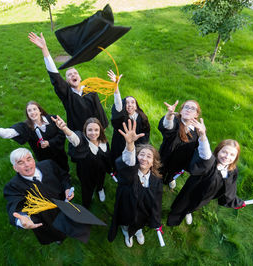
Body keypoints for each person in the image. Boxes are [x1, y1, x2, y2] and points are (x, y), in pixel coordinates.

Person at [3, 148, 91, 244]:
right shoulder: (13, 187)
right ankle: (59, 239)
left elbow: (63, 177)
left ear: (33, 159)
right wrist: (22, 219)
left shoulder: (49, 165)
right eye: (21, 163)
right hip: (46, 218)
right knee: (56, 233)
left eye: (28, 159)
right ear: (15, 168)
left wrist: (67, 188)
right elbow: (15, 207)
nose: (27, 165)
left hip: (63, 204)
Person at [166, 119, 246, 226]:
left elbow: (229, 191)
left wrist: (237, 202)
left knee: (196, 206)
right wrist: (203, 135)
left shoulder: (232, 171)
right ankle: (174, 217)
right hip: (192, 190)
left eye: (232, 155)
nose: (227, 157)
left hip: (207, 196)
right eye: (224, 152)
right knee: (181, 204)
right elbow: (205, 150)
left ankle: (189, 212)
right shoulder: (209, 162)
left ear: (236, 157)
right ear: (218, 151)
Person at [28, 32, 109, 132]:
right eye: (69, 75)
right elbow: (55, 76)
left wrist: (103, 128)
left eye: (75, 73)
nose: (73, 75)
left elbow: (99, 110)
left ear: (80, 78)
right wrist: (44, 49)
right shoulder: (67, 94)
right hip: (78, 133)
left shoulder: (90, 91)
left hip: (95, 131)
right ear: (66, 81)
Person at [108, 119, 163, 248]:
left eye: (148, 156)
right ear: (136, 157)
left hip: (143, 211)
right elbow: (128, 161)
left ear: (153, 162)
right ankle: (127, 232)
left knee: (139, 222)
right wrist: (130, 145)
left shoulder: (156, 180)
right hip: (126, 206)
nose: (144, 158)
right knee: (126, 221)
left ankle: (137, 231)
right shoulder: (129, 174)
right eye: (141, 155)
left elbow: (157, 201)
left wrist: (156, 219)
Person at [0, 101, 69, 172]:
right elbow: (8, 133)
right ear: (27, 114)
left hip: (59, 153)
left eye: (34, 109)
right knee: (50, 173)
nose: (32, 112)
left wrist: (49, 143)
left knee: (63, 169)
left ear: (40, 111)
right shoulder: (26, 127)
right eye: (29, 110)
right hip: (43, 157)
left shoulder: (52, 119)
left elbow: (62, 134)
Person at [52, 115, 111, 208]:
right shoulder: (82, 142)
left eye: (96, 130)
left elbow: (107, 157)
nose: (93, 133)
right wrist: (65, 129)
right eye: (90, 130)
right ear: (85, 131)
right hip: (85, 172)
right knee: (87, 187)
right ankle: (88, 199)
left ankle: (100, 189)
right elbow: (74, 138)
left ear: (100, 131)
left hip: (101, 170)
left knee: (100, 180)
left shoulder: (104, 143)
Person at [110, 69, 150, 173]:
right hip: (120, 143)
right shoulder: (121, 117)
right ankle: (116, 172)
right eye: (127, 103)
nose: (130, 105)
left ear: (136, 105)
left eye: (132, 102)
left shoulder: (142, 117)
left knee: (133, 162)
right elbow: (118, 106)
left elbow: (146, 131)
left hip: (137, 145)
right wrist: (116, 87)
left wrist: (142, 144)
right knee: (119, 160)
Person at [158, 100, 201, 189]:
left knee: (173, 173)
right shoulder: (174, 121)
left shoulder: (197, 130)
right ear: (181, 111)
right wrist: (169, 115)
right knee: (159, 172)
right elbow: (168, 127)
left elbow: (198, 148)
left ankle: (170, 179)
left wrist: (203, 134)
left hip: (181, 161)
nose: (188, 110)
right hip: (165, 156)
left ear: (196, 114)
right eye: (186, 107)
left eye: (192, 109)